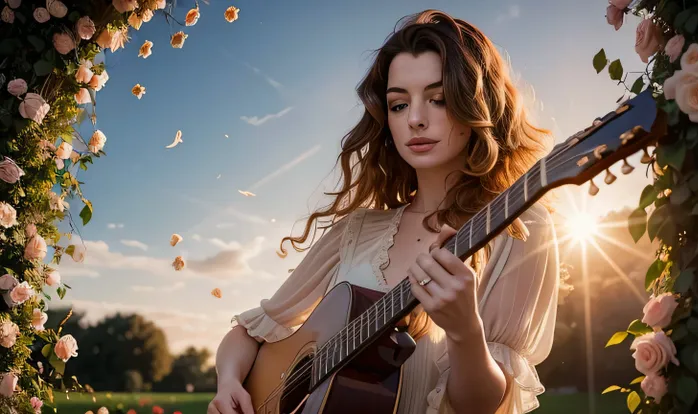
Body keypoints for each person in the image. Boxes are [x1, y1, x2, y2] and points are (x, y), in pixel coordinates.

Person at [209, 9, 559, 414]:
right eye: (397, 105)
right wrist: (229, 382)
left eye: (438, 98)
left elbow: (482, 407)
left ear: (477, 104)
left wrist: (465, 333)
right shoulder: (354, 232)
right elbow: (250, 332)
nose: (414, 119)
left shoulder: (518, 227)